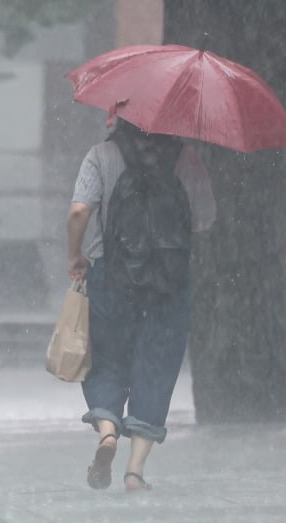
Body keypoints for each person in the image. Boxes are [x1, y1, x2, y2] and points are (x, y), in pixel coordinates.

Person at [66, 120, 215, 493]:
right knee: (156, 367)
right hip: (167, 283)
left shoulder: (100, 155)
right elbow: (204, 218)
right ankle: (135, 473)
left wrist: (75, 254)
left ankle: (107, 433)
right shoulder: (187, 158)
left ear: (121, 116)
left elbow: (79, 212)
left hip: (110, 279)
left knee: (104, 360)